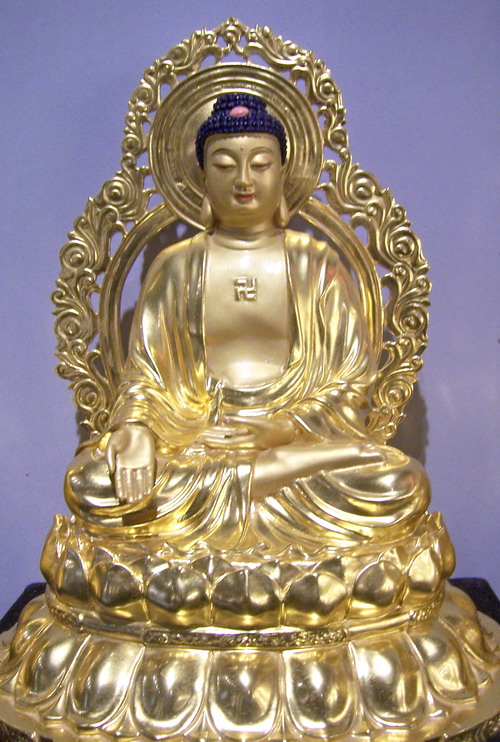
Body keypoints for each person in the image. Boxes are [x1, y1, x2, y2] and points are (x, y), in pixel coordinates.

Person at [65, 93, 429, 553]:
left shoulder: (317, 264)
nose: (243, 180)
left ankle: (256, 484)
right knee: (90, 482)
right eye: (224, 165)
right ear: (202, 176)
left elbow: (350, 383)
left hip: (294, 445)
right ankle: (262, 482)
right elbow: (146, 380)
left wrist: (279, 429)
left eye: (260, 164)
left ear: (283, 173)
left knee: (401, 482)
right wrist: (135, 431)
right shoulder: (175, 267)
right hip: (198, 444)